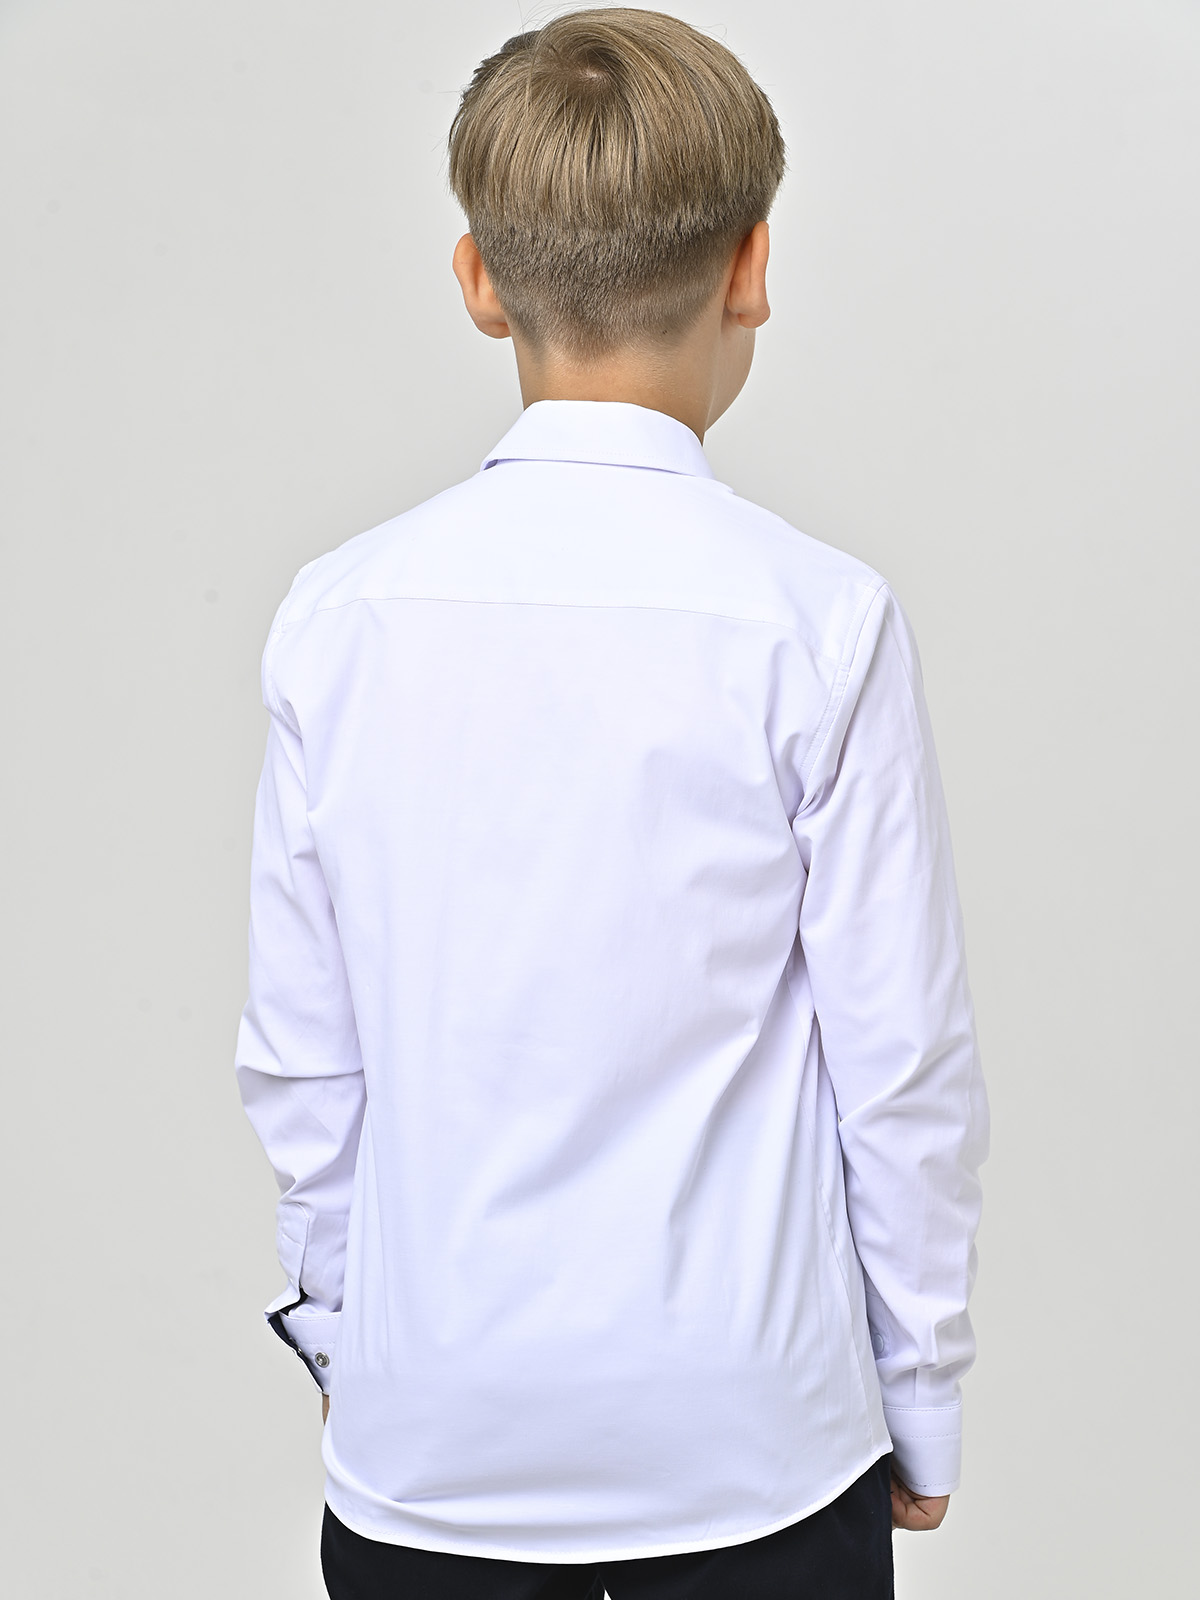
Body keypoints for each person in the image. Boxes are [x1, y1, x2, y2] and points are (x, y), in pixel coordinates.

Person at [234, 9, 990, 1598]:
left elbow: (307, 1059)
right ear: (752, 268)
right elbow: (901, 1070)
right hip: (755, 1454)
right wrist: (918, 1396)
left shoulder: (339, 618)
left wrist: (357, 1345)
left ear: (478, 280)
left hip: (432, 1453)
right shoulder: (818, 622)